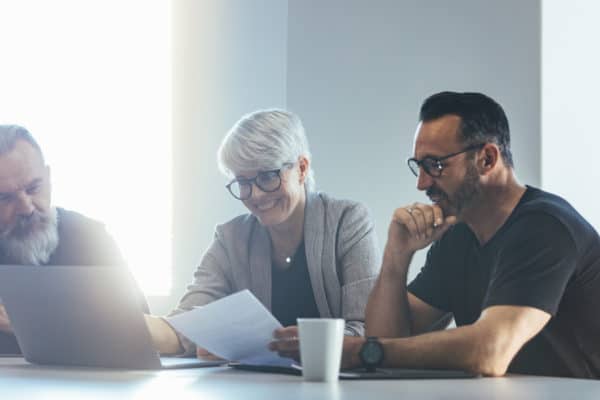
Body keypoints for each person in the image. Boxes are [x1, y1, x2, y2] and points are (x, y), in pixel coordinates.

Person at [342, 92, 600, 379]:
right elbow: (388, 343)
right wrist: (396, 257)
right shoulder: (459, 234)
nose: (422, 183)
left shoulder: (545, 227)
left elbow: (490, 352)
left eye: (435, 165)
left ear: (487, 159)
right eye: (419, 166)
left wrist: (358, 351)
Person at [145, 109, 381, 357]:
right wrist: (119, 318)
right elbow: (183, 328)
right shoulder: (231, 238)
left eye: (267, 176)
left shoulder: (347, 221)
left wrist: (301, 345)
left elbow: (368, 330)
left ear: (301, 168)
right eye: (243, 182)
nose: (255, 195)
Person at [0, 125, 149, 354]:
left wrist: (28, 323)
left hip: (86, 384)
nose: (26, 208)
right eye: (5, 198)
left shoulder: (89, 237)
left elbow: (142, 330)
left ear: (49, 177)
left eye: (33, 188)